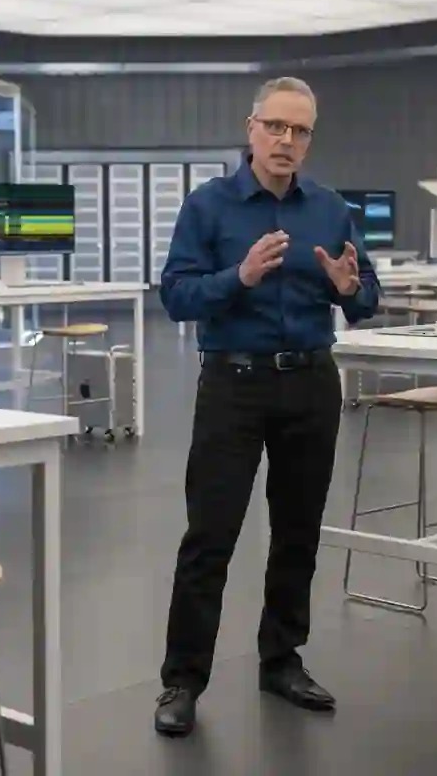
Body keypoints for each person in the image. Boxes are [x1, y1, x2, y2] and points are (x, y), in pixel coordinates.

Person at [154, 76, 381, 737]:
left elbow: (366, 296)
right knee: (210, 536)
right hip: (234, 384)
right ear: (251, 128)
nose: (286, 141)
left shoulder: (331, 209)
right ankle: (182, 679)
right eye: (275, 127)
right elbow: (176, 295)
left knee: (298, 531)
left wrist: (351, 287)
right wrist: (240, 277)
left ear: (310, 138)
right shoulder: (209, 207)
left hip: (311, 383)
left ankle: (281, 659)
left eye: (300, 130)